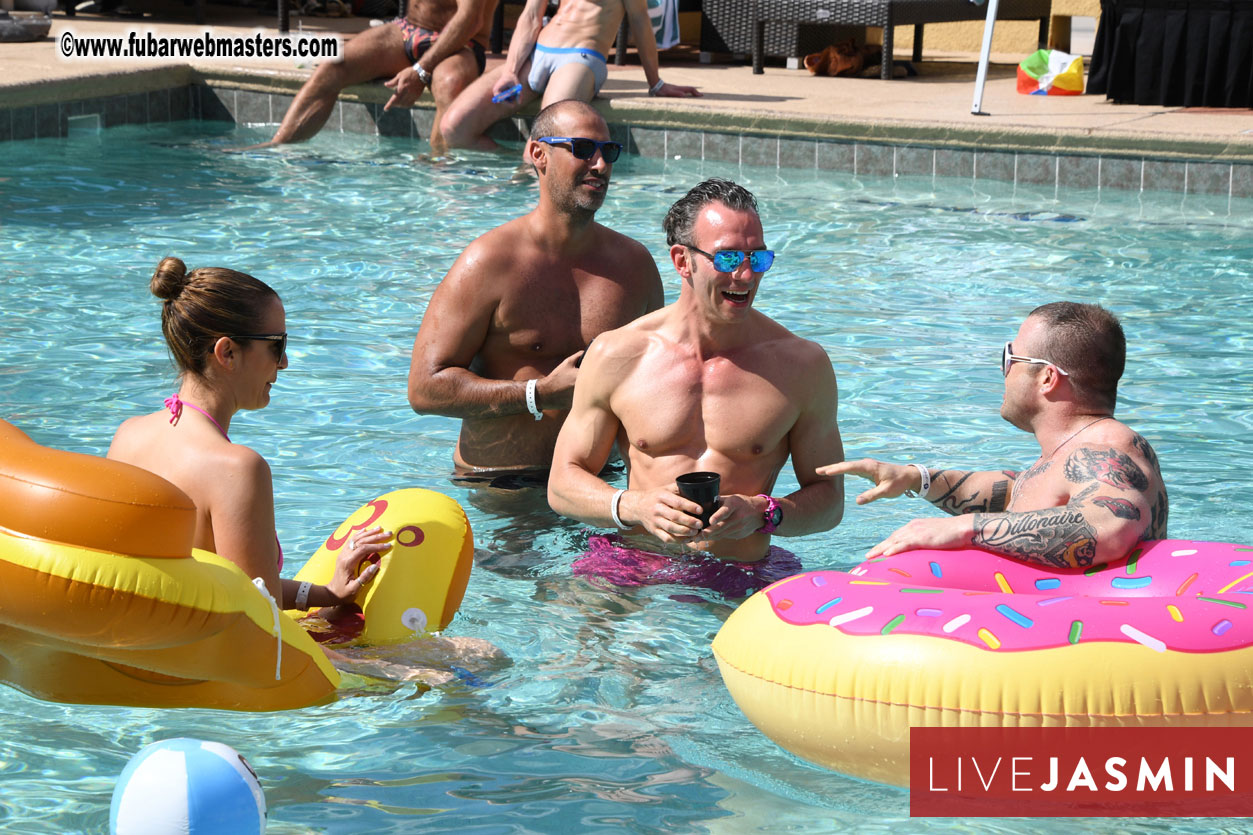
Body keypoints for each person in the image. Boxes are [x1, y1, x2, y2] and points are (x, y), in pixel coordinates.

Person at [546, 178, 845, 595]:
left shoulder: (801, 365)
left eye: (757, 259)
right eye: (727, 259)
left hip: (742, 574)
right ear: (683, 261)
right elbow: (562, 483)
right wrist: (634, 506)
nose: (744, 276)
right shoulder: (618, 354)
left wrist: (765, 512)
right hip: (633, 566)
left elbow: (830, 499)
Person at [108, 257, 387, 611]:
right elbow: (260, 627)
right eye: (277, 345)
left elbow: (203, 586)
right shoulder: (237, 469)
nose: (284, 363)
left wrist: (324, 595)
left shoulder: (128, 436)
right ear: (228, 352)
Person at [407, 100, 665, 478]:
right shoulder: (489, 262)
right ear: (538, 154)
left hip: (596, 487)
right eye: (582, 149)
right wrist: (537, 395)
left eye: (608, 152)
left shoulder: (635, 268)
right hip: (501, 485)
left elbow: (655, 387)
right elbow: (424, 390)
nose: (600, 164)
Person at [818, 302, 1168, 569]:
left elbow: (1111, 525)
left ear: (1047, 377)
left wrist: (964, 528)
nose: (1003, 370)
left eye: (1009, 357)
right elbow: (1019, 492)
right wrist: (916, 478)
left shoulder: (1107, 448)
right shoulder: (1071, 455)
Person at [439, 0, 700, 151]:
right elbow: (530, 16)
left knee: (542, 148)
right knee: (454, 128)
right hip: (537, 53)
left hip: (580, 58)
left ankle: (523, 194)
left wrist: (656, 83)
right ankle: (511, 172)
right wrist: (510, 70)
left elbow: (640, 21)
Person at [255, 0, 496, 152]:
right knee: (333, 66)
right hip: (407, 29)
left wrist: (421, 70)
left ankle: (437, 170)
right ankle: (277, 149)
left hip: (462, 42)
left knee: (448, 84)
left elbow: (471, 20)